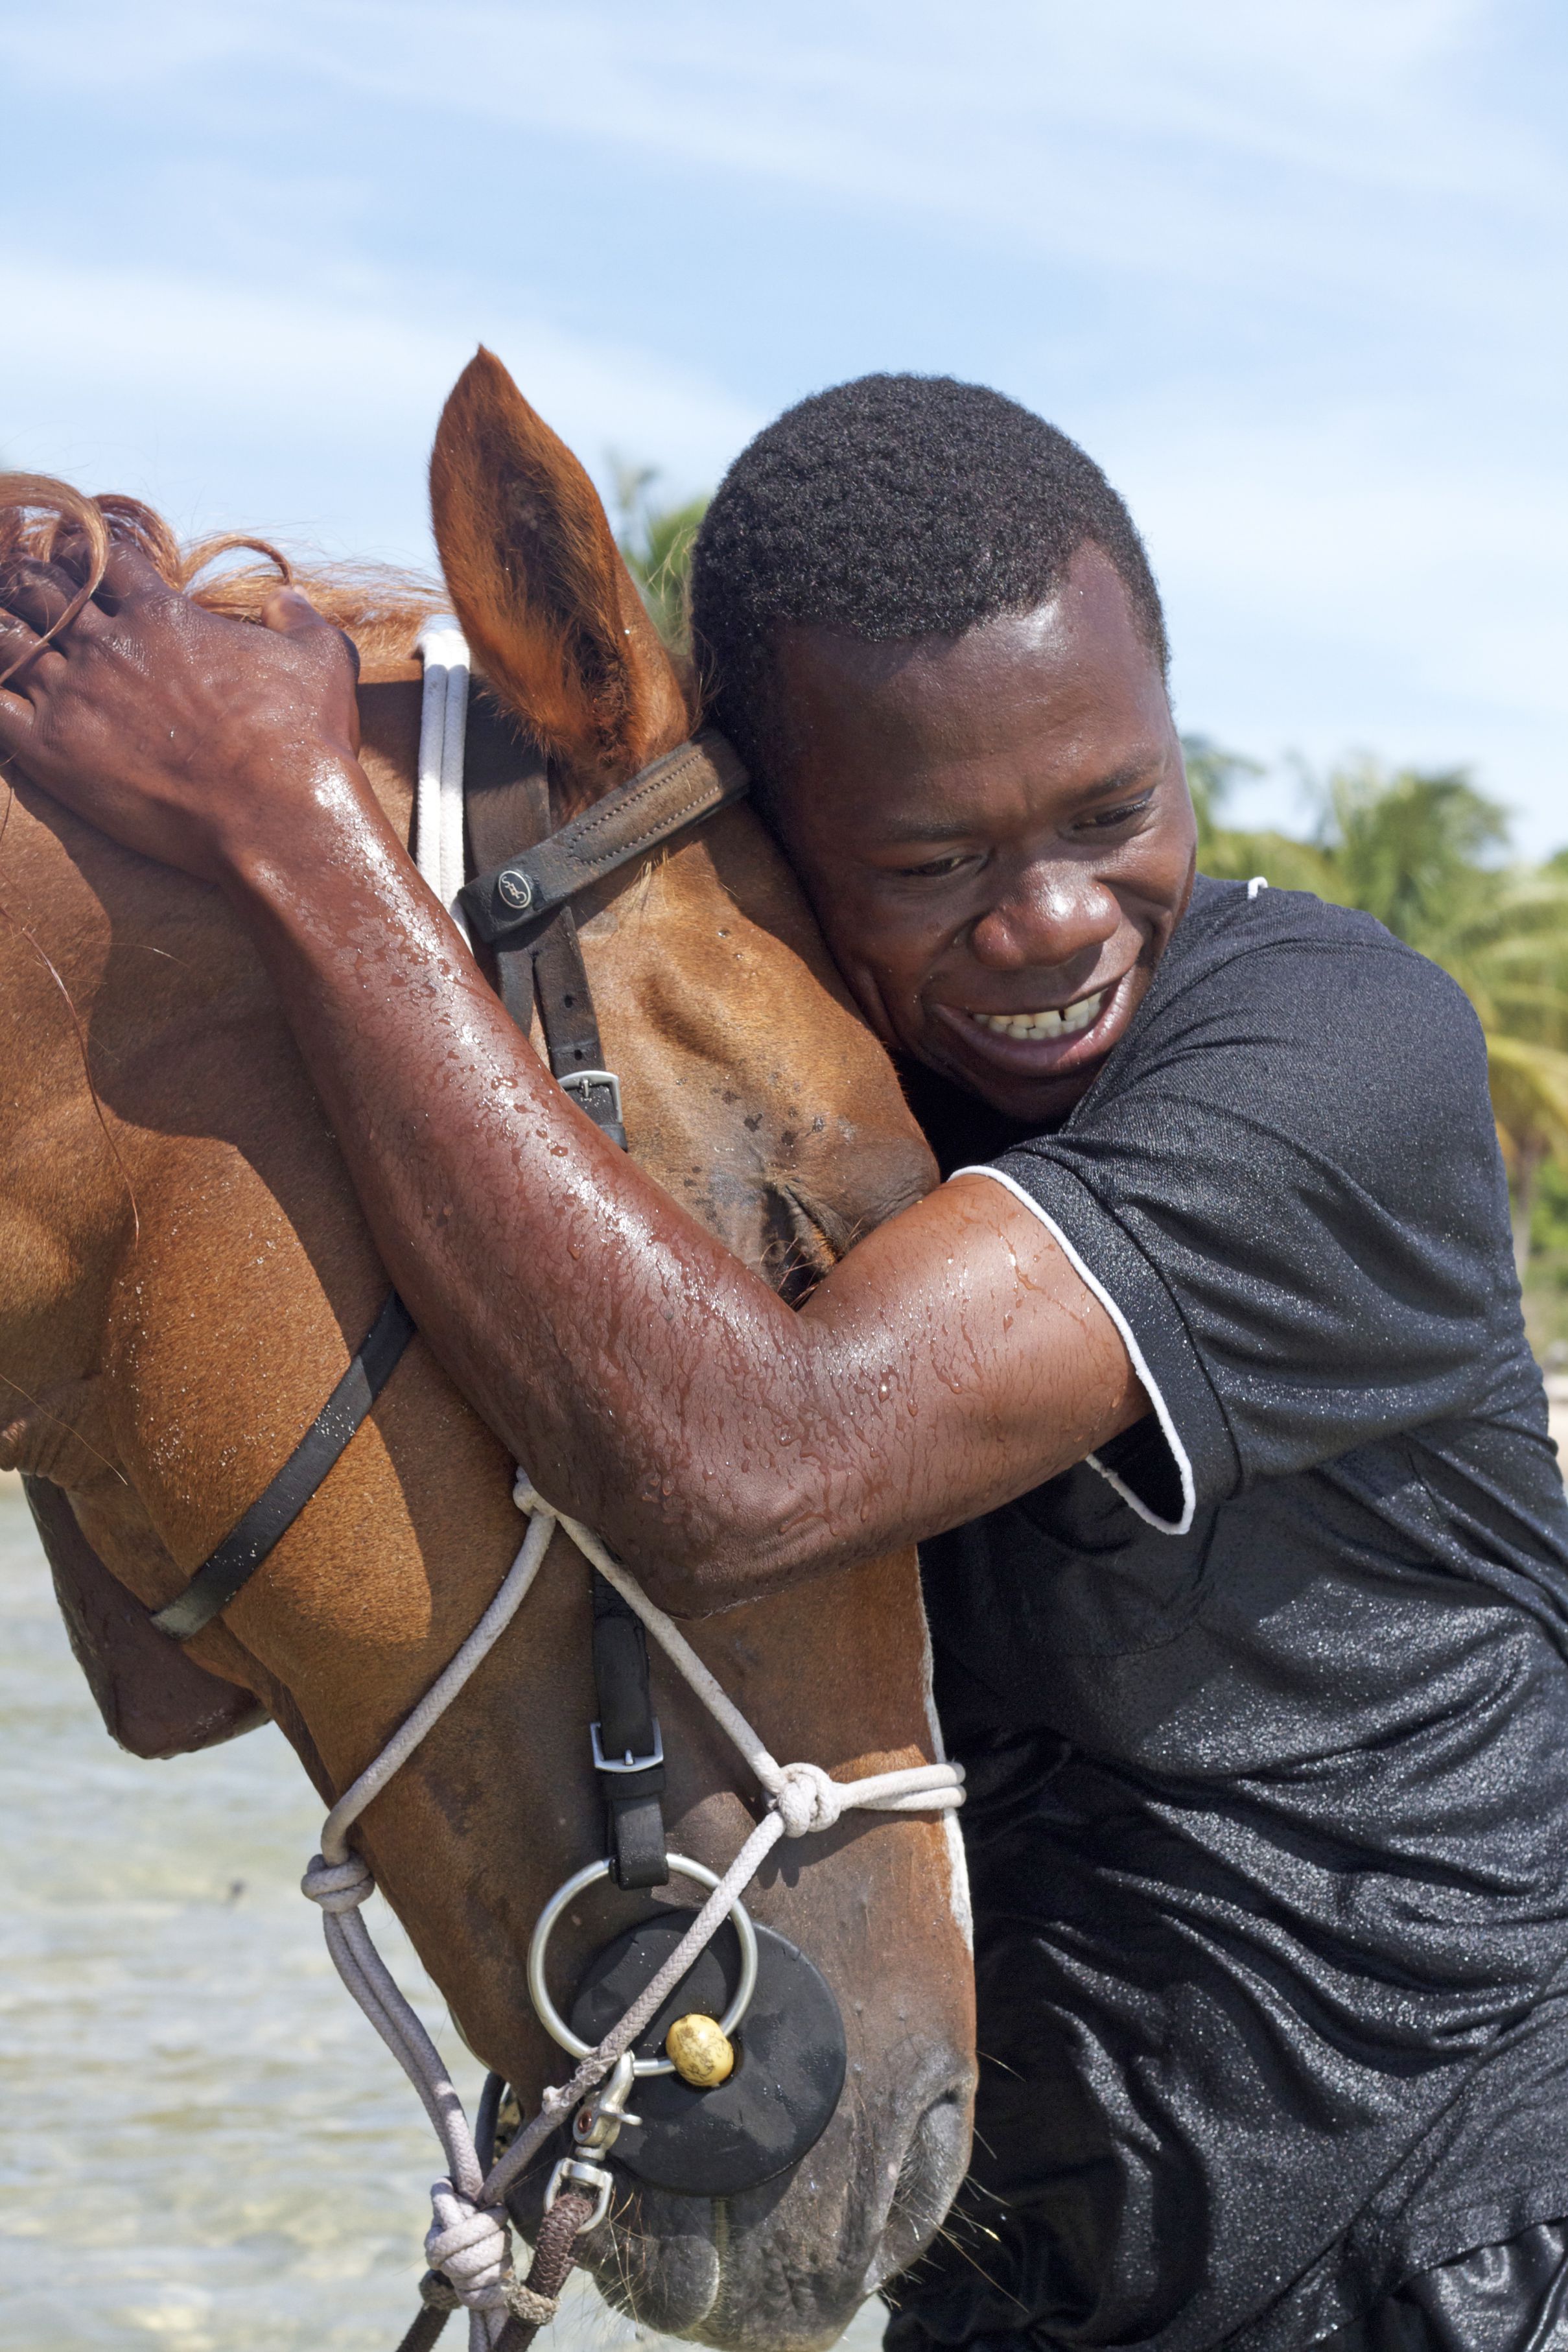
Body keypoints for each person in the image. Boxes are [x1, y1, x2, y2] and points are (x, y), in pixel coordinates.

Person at [3, 373, 1567, 2352]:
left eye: (1113, 811)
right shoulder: (854, 1099)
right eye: (929, 863)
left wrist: (293, 828)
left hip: (1454, 2264)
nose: (1054, 922)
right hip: (1038, 2306)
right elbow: (169, 1685)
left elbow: (756, 1458)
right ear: (788, 831)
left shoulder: (1325, 1062)